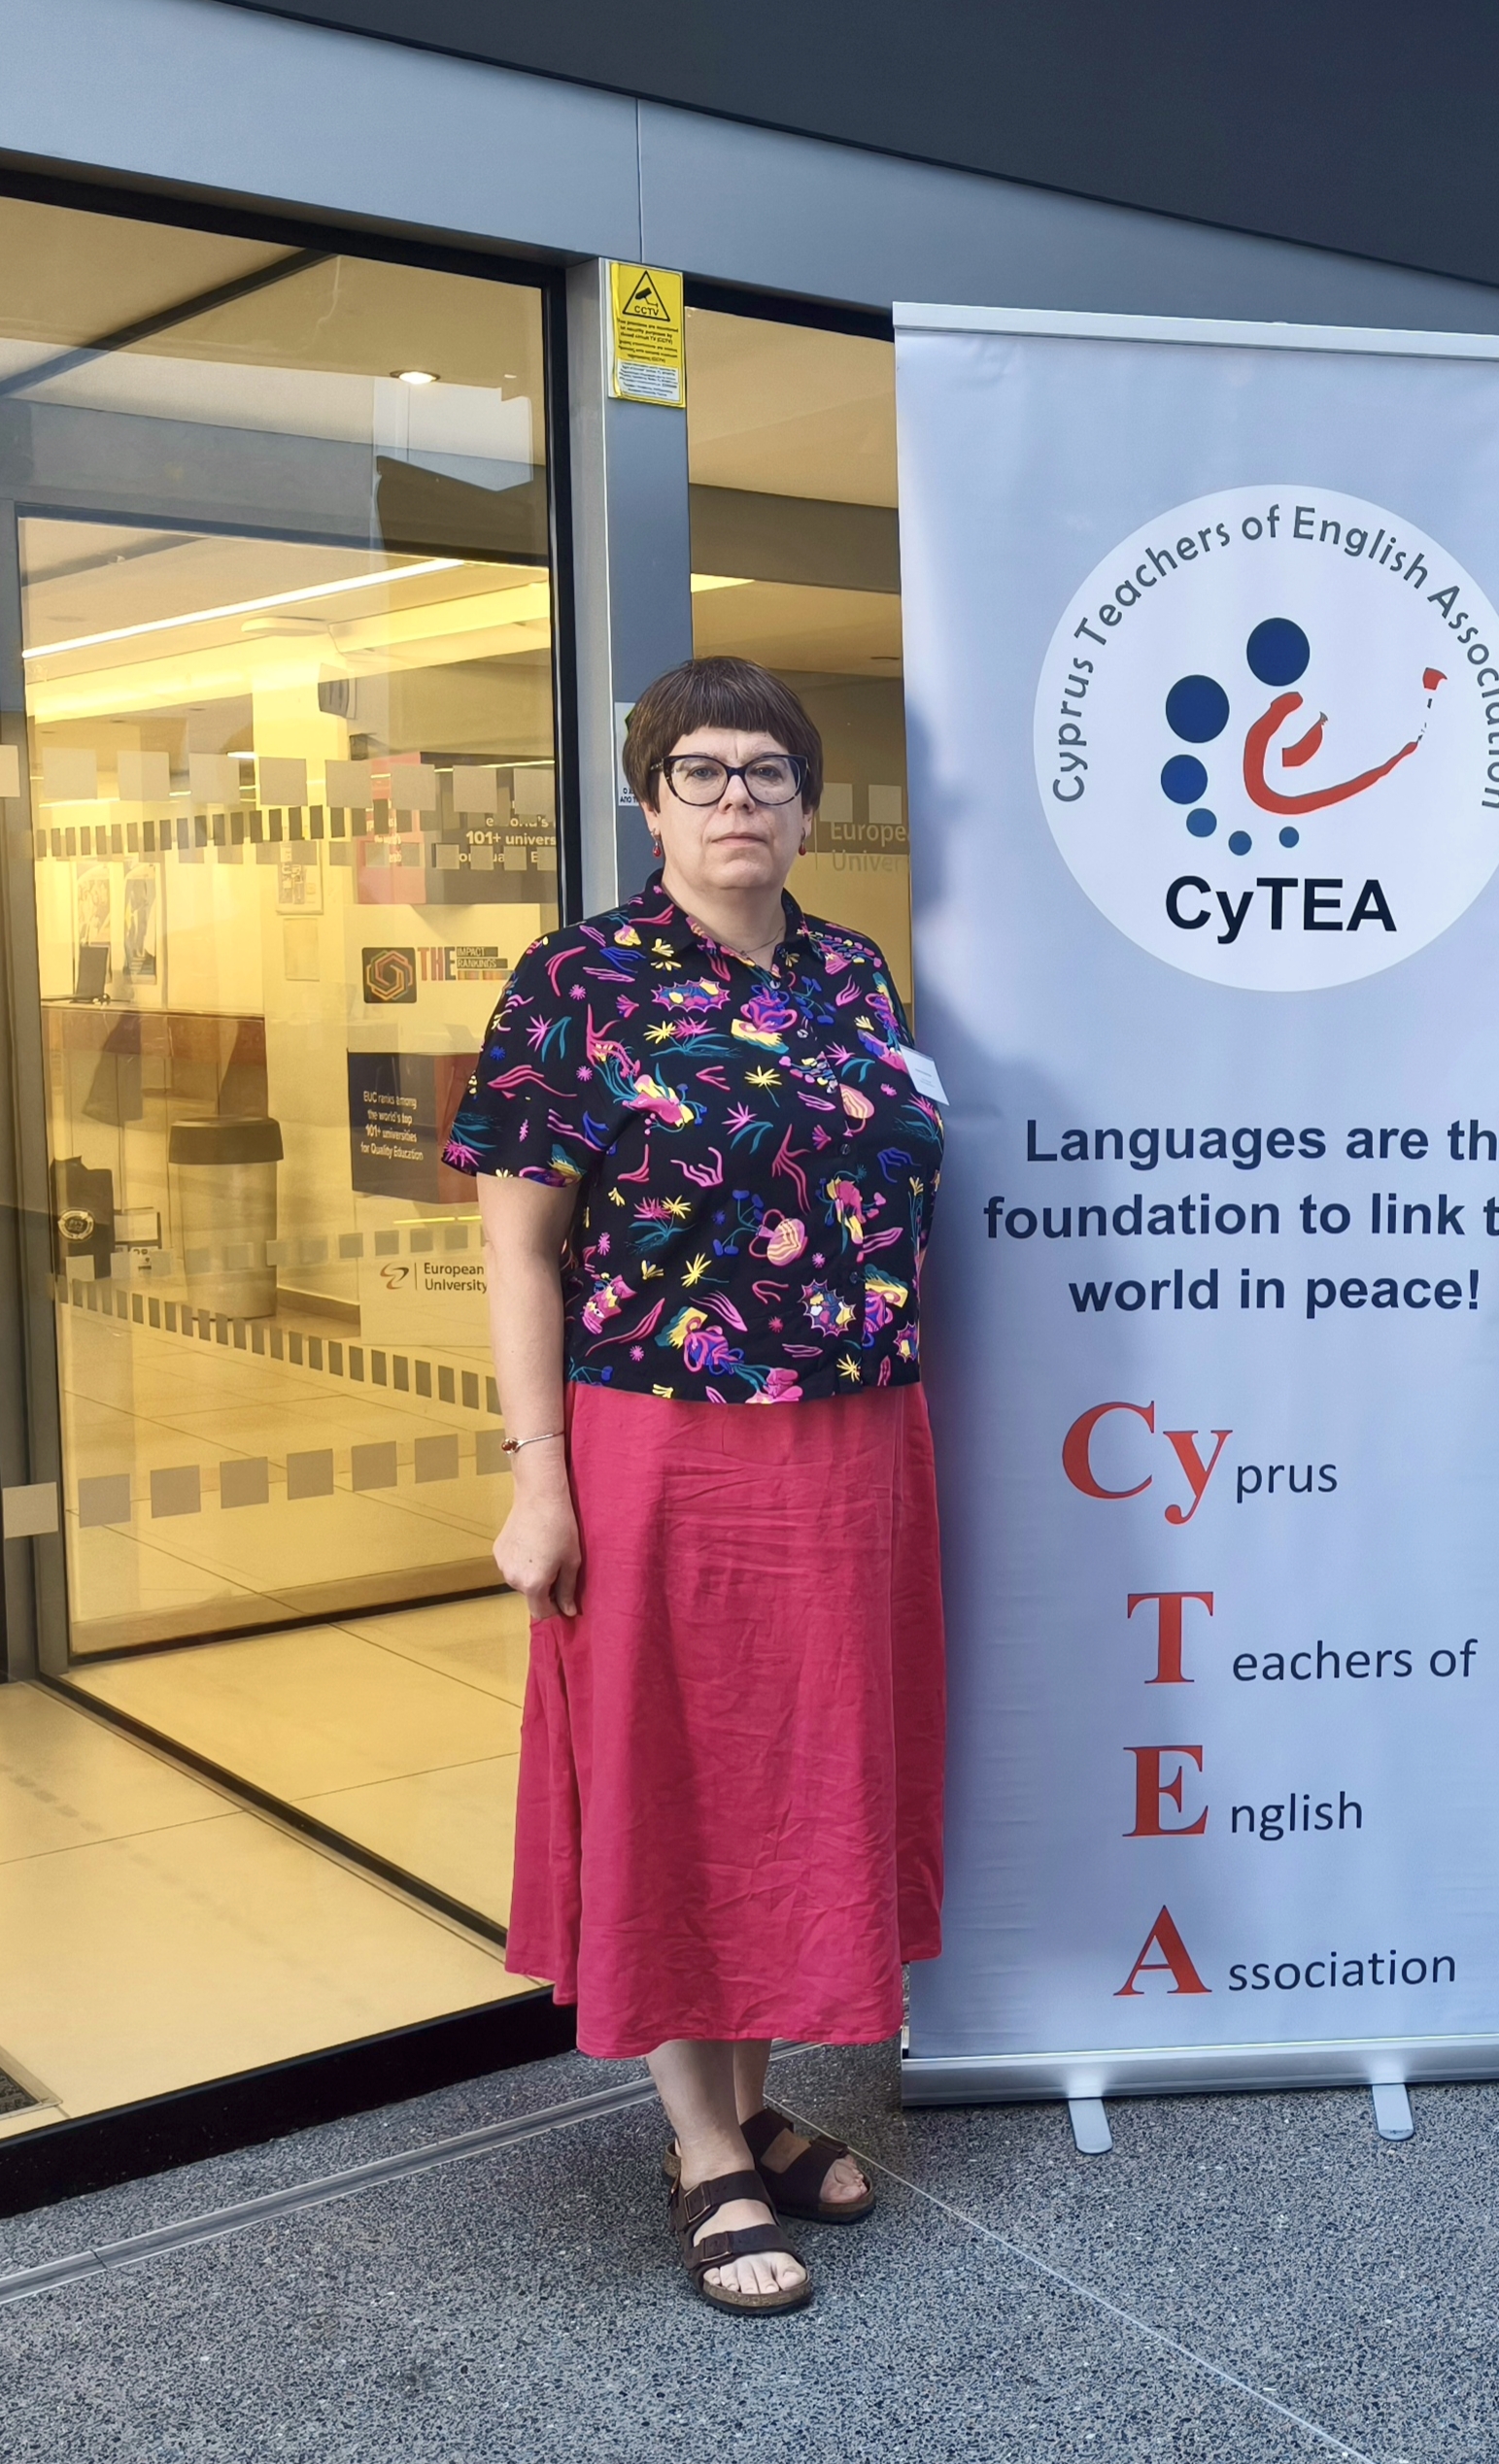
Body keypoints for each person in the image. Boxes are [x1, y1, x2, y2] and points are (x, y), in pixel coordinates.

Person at [445, 655, 946, 2312]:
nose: (740, 799)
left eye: (768, 773)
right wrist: (539, 1479)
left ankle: (746, 2098)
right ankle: (702, 2142)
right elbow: (518, 1249)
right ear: (649, 801)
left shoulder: (852, 973)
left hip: (852, 1442)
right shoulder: (578, 981)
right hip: (660, 1441)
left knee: (794, 1777)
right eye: (703, 772)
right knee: (672, 1772)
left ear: (806, 804)